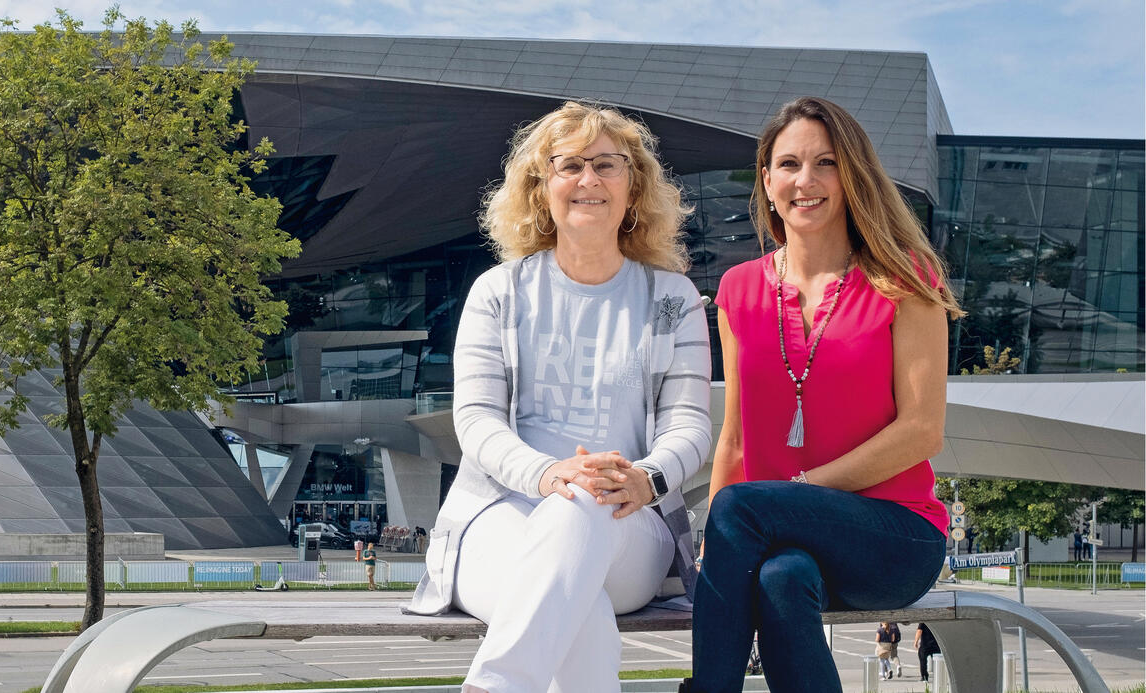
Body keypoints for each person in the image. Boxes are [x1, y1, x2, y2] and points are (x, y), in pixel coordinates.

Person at [406, 101, 711, 693]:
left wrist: (645, 477)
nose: (589, 180)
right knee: (581, 611)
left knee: (585, 505)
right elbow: (475, 420)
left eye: (607, 164)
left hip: (629, 523)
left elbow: (691, 425)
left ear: (635, 186)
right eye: (569, 164)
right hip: (498, 520)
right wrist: (549, 475)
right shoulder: (498, 292)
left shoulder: (673, 298)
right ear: (540, 186)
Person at [685, 96, 963, 693]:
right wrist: (718, 546)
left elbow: (922, 431)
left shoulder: (905, 276)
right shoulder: (738, 289)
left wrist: (796, 493)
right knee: (781, 578)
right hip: (780, 538)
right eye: (788, 165)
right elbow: (734, 435)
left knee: (742, 507)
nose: (804, 181)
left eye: (826, 163)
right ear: (766, 180)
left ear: (852, 175)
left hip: (894, 535)